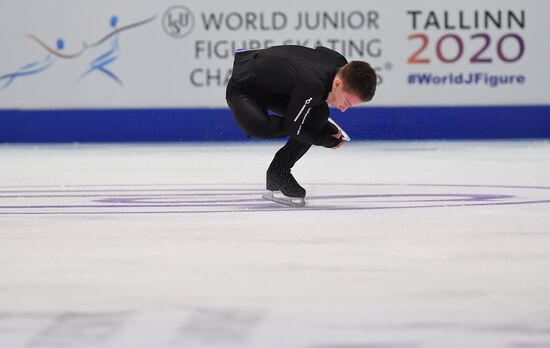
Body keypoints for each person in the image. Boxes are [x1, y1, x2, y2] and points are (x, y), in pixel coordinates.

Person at [226, 45, 377, 206]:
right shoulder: (313, 85)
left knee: (319, 113)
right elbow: (292, 128)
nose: (343, 109)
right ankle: (288, 157)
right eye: (346, 102)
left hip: (276, 87)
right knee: (265, 128)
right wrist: (325, 140)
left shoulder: (339, 63)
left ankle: (278, 171)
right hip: (244, 87)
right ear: (338, 84)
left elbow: (321, 50)